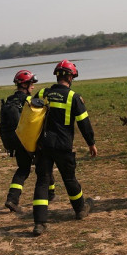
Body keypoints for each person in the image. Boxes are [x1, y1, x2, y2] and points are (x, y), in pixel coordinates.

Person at [30, 60, 97, 236]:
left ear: (57, 75)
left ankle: (39, 223)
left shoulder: (43, 93)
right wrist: (91, 143)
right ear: (70, 76)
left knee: (42, 182)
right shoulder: (73, 97)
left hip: (43, 144)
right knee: (69, 178)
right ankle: (81, 209)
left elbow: (30, 114)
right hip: (63, 145)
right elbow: (84, 123)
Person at [2, 69, 55, 212]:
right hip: (27, 140)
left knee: (23, 169)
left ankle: (12, 199)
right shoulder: (29, 101)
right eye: (31, 83)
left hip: (15, 141)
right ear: (25, 85)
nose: (33, 86)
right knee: (44, 166)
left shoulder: (9, 100)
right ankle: (50, 193)